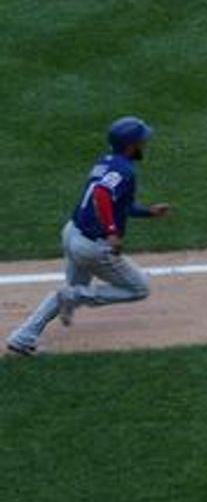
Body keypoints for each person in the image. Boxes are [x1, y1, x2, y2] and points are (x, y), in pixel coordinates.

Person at [6, 117, 172, 356]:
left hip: (72, 232)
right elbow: (102, 196)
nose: (144, 144)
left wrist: (148, 212)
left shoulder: (105, 163)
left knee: (71, 290)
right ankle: (72, 297)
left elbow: (117, 203)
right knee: (138, 289)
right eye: (141, 141)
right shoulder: (125, 170)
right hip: (92, 246)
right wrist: (112, 232)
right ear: (130, 145)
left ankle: (23, 337)